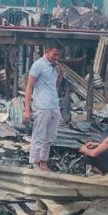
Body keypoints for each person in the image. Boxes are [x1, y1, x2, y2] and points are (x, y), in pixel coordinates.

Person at [24, 41, 64, 171]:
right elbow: (29, 87)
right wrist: (27, 109)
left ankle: (43, 162)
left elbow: (55, 85)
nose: (56, 57)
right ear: (46, 51)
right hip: (42, 106)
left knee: (50, 137)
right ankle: (34, 163)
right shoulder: (38, 65)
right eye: (54, 54)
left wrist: (61, 73)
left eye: (58, 55)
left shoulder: (55, 66)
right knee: (39, 136)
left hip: (54, 105)